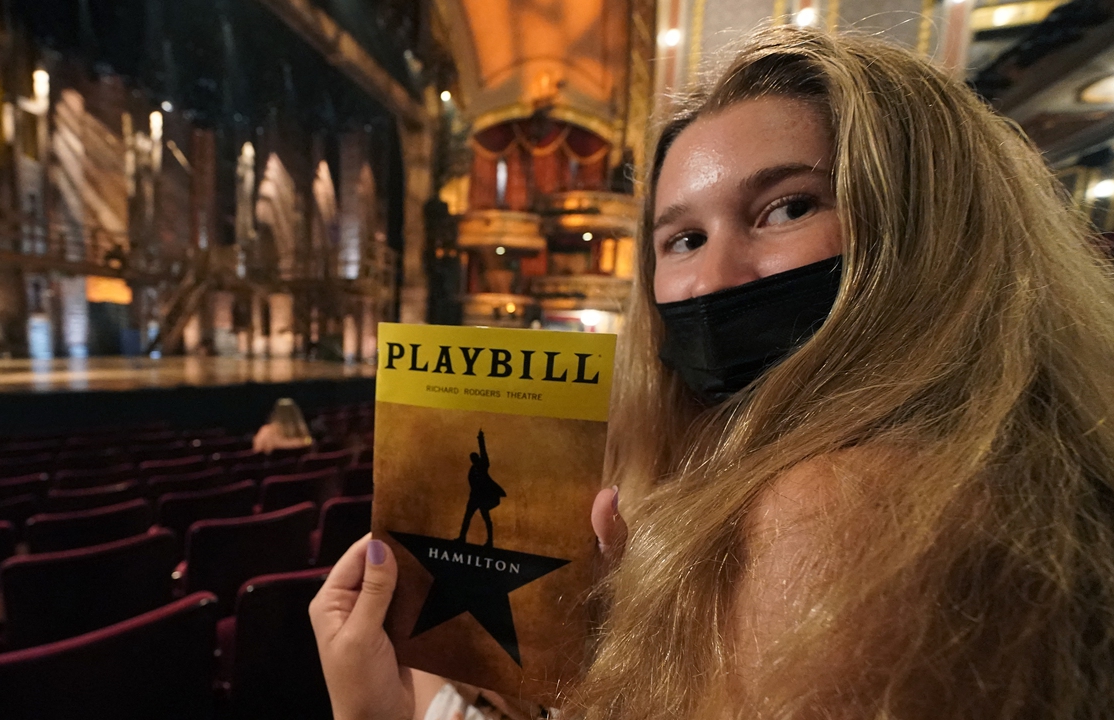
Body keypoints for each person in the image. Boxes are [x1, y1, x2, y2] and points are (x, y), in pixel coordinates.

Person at [310, 25, 1114, 720]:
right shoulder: (960, 455)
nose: (715, 278)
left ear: (927, 220)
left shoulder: (847, 505)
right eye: (684, 240)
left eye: (788, 208)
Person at [456, 429, 506, 547]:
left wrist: (480, 438)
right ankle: (462, 538)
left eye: (474, 457)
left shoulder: (483, 464)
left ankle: (490, 541)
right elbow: (472, 483)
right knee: (467, 517)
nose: (473, 459)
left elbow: (483, 450)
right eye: (472, 458)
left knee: (486, 518)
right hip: (475, 497)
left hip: (484, 497)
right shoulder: (472, 469)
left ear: (477, 458)